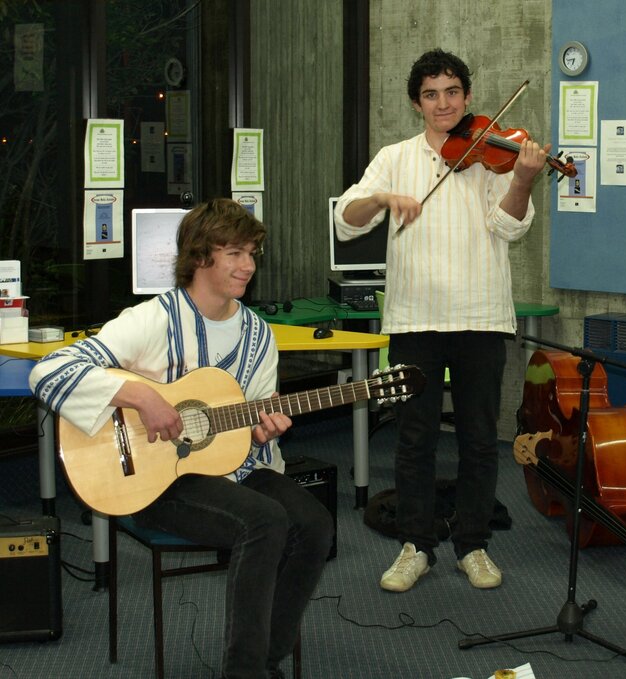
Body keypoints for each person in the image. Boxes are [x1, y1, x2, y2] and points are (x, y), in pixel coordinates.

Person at [30, 199, 334, 679]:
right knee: (264, 522)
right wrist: (138, 396)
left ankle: (265, 659)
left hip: (234, 469)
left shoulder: (258, 335)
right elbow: (50, 371)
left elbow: (251, 422)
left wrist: (264, 428)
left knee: (315, 524)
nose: (248, 265)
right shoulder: (152, 319)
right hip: (154, 480)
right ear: (199, 256)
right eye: (234, 252)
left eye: (252, 252)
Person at [333, 48, 548, 592]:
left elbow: (510, 227)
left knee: (478, 438)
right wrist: (380, 196)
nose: (443, 103)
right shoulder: (395, 156)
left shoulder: (495, 152)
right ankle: (415, 545)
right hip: (413, 321)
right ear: (416, 103)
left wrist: (522, 179)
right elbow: (346, 220)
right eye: (431, 94)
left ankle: (473, 544)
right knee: (415, 438)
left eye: (452, 92)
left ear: (468, 97)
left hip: (481, 318)